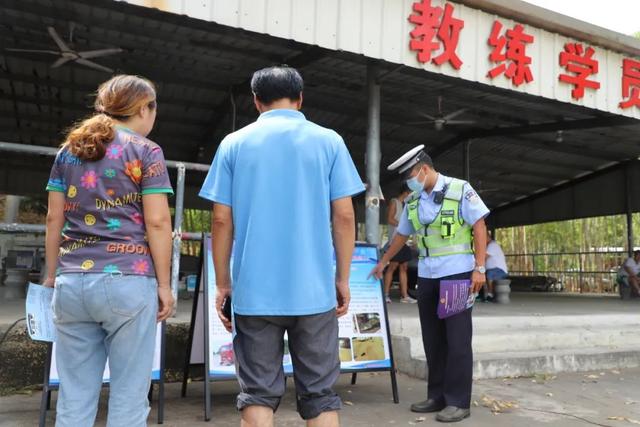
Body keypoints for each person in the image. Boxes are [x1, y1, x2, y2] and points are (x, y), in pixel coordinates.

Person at [199, 65, 364, 427]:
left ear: (256, 101)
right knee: (321, 395)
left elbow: (222, 220)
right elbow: (345, 217)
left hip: (255, 295)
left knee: (257, 393)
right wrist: (343, 278)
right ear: (300, 98)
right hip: (315, 293)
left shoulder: (234, 144)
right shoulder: (329, 141)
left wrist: (224, 284)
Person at [43, 75, 175, 426]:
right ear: (144, 108)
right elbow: (159, 222)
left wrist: (52, 274)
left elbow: (54, 217)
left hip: (71, 282)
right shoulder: (147, 151)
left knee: (74, 395)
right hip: (128, 280)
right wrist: (164, 285)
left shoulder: (69, 150)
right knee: (129, 395)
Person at [370, 145, 488, 423]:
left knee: (457, 340)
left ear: (424, 169)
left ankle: (459, 401)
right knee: (433, 339)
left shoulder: (460, 189)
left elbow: (480, 225)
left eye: (411, 175)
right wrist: (384, 261)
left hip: (457, 274)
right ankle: (437, 396)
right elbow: (401, 235)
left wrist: (479, 268)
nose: (409, 181)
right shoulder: (413, 200)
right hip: (427, 276)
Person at [384, 186, 416, 304]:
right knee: (392, 267)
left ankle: (405, 296)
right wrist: (404, 226)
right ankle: (386, 294)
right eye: (411, 192)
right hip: (395, 241)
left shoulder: (407, 206)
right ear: (406, 192)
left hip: (404, 242)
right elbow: (390, 219)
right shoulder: (394, 202)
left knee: (404, 267)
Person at [484, 230, 509, 302]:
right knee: (483, 273)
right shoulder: (488, 246)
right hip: (494, 270)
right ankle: (480, 295)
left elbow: (484, 257)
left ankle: (490, 295)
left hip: (500, 271)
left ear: (487, 236)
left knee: (489, 273)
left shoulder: (492, 245)